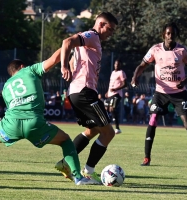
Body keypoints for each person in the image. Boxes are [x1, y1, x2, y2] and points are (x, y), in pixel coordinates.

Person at [0, 49, 95, 185]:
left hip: (11, 125)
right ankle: (77, 177)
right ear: (22, 66)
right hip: (34, 123)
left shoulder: (5, 87)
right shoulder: (30, 70)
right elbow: (54, 58)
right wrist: (68, 46)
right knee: (65, 140)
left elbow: (11, 107)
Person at [131, 22, 187, 169]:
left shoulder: (182, 50)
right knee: (153, 119)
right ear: (163, 34)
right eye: (168, 33)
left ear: (176, 35)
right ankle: (147, 157)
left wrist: (184, 81)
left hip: (179, 93)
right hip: (161, 93)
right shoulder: (155, 49)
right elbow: (142, 65)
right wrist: (136, 77)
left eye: (173, 34)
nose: (170, 36)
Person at [55, 12, 118, 184]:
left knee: (93, 130)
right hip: (84, 92)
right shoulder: (92, 36)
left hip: (77, 92)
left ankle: (64, 163)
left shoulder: (92, 40)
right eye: (110, 29)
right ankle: (88, 172)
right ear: (101, 25)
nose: (110, 34)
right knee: (109, 133)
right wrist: (64, 65)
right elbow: (67, 42)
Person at [104, 59, 127, 134]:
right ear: (114, 64)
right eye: (115, 64)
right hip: (110, 94)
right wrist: (108, 91)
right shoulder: (113, 72)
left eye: (118, 64)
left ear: (120, 65)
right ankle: (106, 126)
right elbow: (111, 83)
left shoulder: (121, 72)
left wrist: (116, 89)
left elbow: (125, 84)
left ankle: (117, 128)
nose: (116, 65)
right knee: (105, 108)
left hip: (117, 94)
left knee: (112, 109)